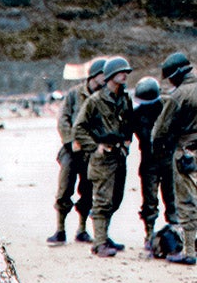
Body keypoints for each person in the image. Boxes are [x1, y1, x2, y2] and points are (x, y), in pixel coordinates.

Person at [74, 56, 135, 257]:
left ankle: (104, 236)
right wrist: (95, 147)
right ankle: (99, 242)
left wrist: (127, 142)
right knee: (101, 200)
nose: (125, 75)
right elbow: (79, 128)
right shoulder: (95, 101)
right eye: (120, 72)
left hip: (118, 155)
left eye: (126, 72)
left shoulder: (124, 99)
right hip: (103, 158)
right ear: (110, 76)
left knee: (116, 198)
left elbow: (129, 123)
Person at [48, 57, 107, 246]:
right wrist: (71, 140)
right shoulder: (73, 94)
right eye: (103, 75)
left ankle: (82, 229)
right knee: (65, 188)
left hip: (91, 151)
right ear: (94, 75)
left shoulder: (104, 97)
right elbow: (63, 119)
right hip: (71, 151)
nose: (106, 79)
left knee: (88, 190)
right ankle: (60, 229)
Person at [153, 52, 197, 265]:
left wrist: (158, 147)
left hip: (186, 154)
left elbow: (160, 129)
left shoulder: (179, 95)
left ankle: (189, 251)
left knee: (187, 202)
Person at [133, 76, 178, 251]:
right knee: (149, 200)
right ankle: (149, 233)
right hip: (149, 161)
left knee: (171, 197)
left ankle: (175, 231)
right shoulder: (136, 115)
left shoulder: (167, 109)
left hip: (167, 159)